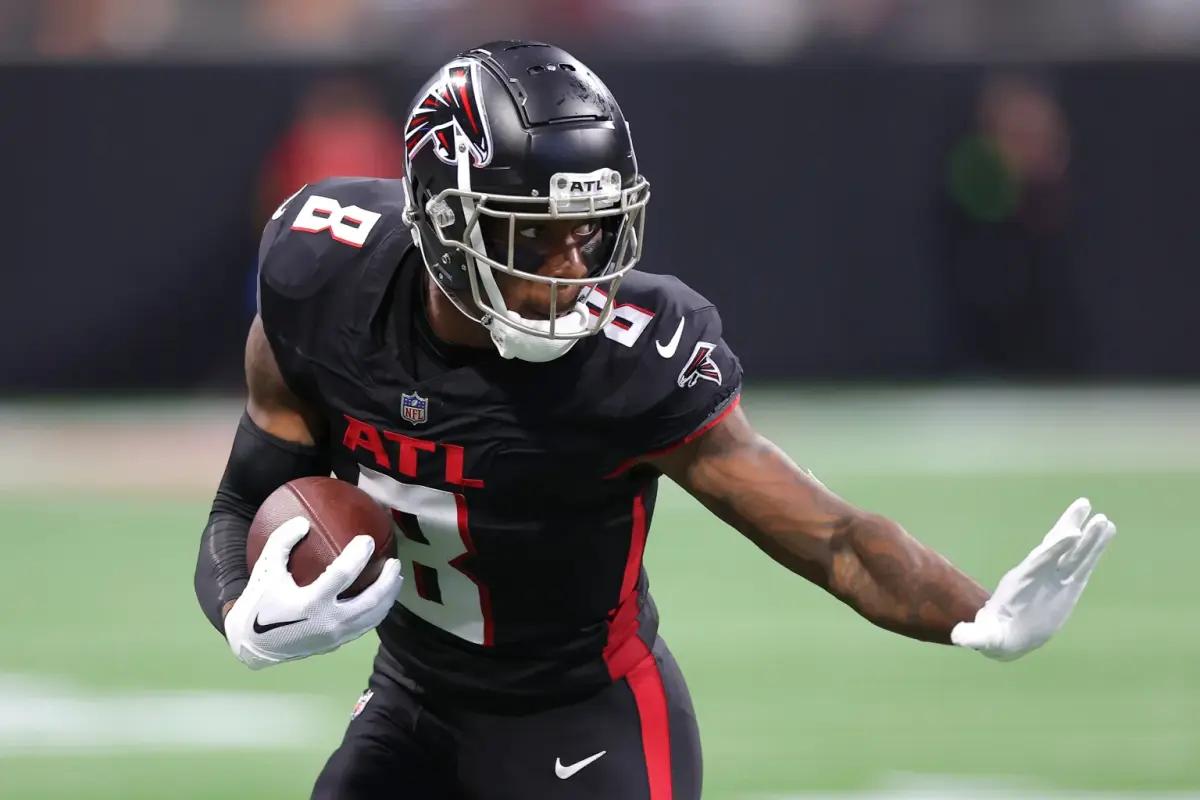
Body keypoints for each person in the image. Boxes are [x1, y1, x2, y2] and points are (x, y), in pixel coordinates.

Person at [194, 41, 1116, 800]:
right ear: (444, 224)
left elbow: (833, 537)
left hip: (586, 726)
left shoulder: (634, 356)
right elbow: (244, 496)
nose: (571, 269)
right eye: (532, 236)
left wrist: (971, 614)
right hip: (412, 706)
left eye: (589, 233)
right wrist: (242, 609)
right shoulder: (323, 277)